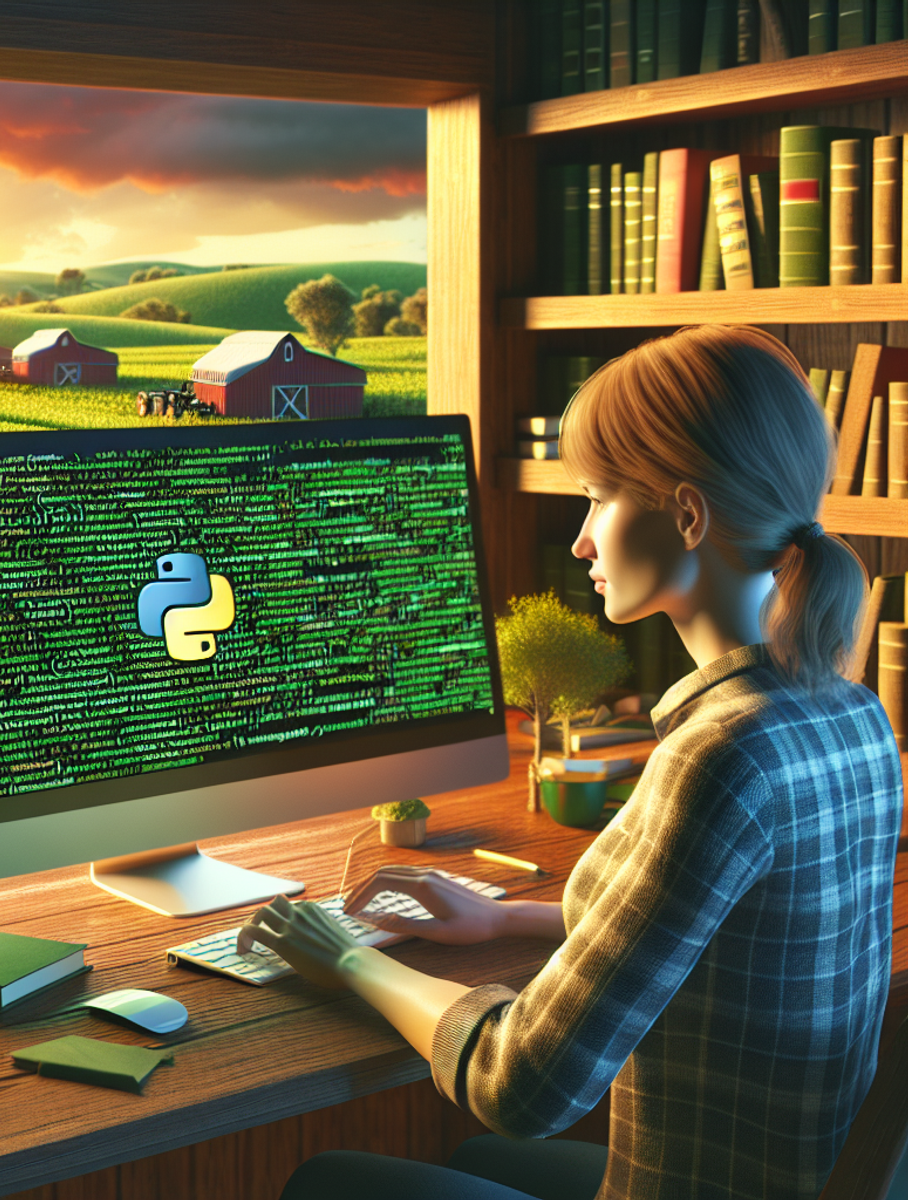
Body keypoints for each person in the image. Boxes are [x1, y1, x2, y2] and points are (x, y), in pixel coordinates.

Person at [240, 325, 904, 1200]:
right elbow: (714, 929)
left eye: (596, 499)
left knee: (332, 1180)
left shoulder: (720, 756)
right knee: (477, 1172)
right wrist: (504, 921)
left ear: (688, 515)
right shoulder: (851, 715)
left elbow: (523, 1088)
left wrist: (350, 960)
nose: (582, 541)